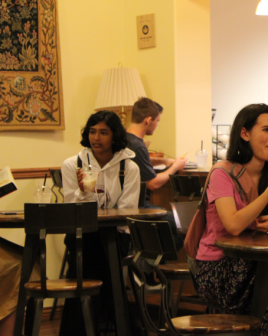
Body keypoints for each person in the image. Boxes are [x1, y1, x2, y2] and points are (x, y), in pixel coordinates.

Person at [185, 103, 268, 336]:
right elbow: (234, 226)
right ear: (245, 134)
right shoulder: (222, 173)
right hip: (216, 268)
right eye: (266, 130)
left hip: (256, 263)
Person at [60, 110, 140, 336]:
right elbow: (70, 209)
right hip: (81, 233)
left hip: (116, 234)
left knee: (96, 255)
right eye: (92, 132)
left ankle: (82, 327)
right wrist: (85, 193)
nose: (96, 138)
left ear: (115, 136)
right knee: (96, 253)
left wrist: (92, 202)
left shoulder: (129, 167)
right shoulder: (72, 165)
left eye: (103, 132)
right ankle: (125, 326)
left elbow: (126, 211)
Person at [126, 97, 186, 280]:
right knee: (183, 225)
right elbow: (153, 183)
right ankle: (144, 267)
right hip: (139, 206)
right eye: (157, 121)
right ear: (148, 120)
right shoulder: (138, 144)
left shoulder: (126, 139)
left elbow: (138, 159)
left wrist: (163, 161)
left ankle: (144, 264)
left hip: (127, 204)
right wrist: (175, 167)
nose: (157, 125)